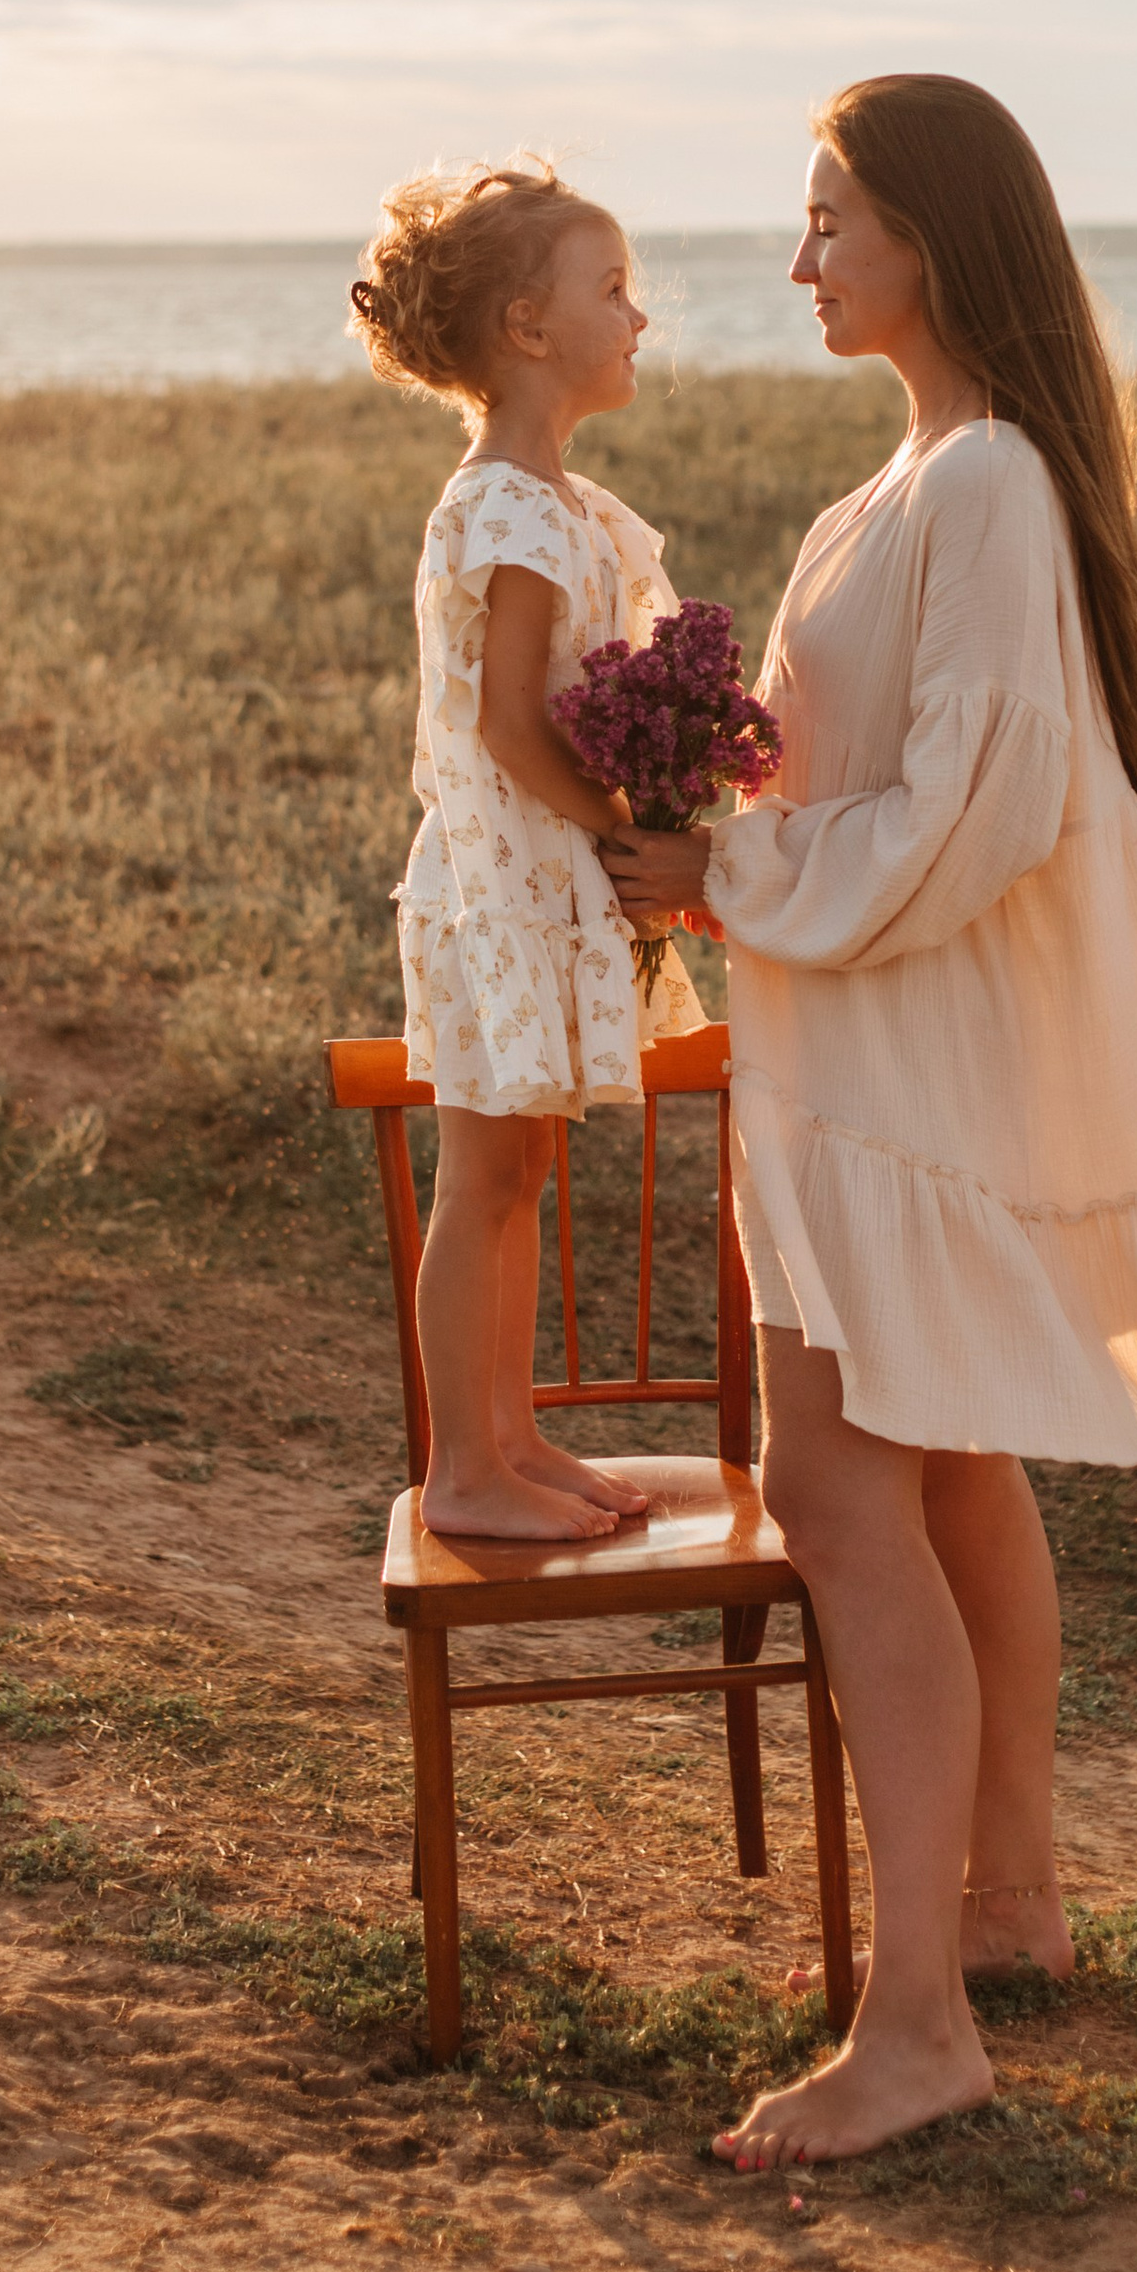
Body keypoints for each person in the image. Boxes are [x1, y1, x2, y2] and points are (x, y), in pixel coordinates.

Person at [601, 77, 1137, 2168]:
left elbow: (978, 814)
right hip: (875, 1065)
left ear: (933, 243)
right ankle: (1009, 1904)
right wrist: (676, 779)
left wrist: (720, 880)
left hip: (907, 1082)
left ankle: (912, 2028)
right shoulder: (879, 498)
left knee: (835, 1492)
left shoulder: (982, 487)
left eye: (827, 223)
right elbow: (854, 773)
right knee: (948, 1475)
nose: (798, 264)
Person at [351, 158, 709, 1544]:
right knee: (484, 1179)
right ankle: (463, 1469)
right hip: (506, 885)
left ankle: (510, 1434)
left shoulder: (557, 498)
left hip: (538, 886)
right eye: (611, 290)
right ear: (525, 327)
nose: (639, 317)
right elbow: (507, 726)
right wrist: (625, 828)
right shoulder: (504, 503)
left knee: (519, 1173)